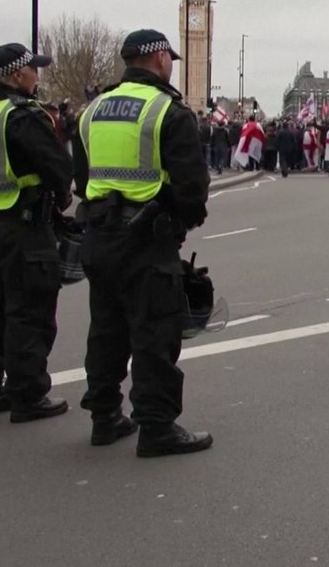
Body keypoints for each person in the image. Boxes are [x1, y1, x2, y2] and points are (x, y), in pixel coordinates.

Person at [73, 29, 213, 457]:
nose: (171, 63)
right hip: (147, 241)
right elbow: (192, 186)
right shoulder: (167, 110)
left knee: (106, 330)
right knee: (154, 334)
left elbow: (82, 177)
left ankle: (105, 417)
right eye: (169, 57)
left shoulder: (92, 110)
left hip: (99, 235)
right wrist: (180, 221)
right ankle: (156, 426)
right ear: (157, 60)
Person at [0, 43, 73, 422]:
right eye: (32, 70)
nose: (37, 76)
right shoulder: (21, 115)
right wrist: (60, 197)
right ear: (16, 75)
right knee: (29, 312)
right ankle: (27, 395)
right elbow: (57, 166)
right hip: (21, 226)